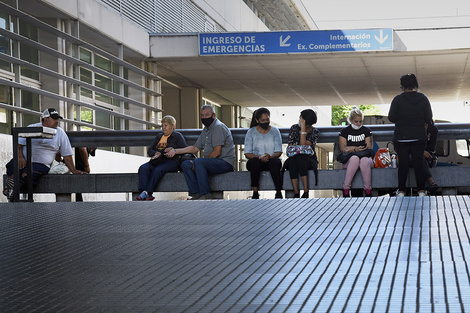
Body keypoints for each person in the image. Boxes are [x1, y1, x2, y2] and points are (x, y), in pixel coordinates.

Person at [3, 108, 87, 202]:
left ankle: (13, 186)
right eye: (54, 118)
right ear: (45, 119)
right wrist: (20, 157)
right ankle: (14, 186)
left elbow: (67, 155)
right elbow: (19, 144)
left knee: (31, 173)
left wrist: (74, 170)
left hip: (41, 164)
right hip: (24, 161)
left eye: (57, 119)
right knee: (13, 165)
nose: (57, 121)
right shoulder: (32, 127)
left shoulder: (60, 133)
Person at [165, 105, 235, 200]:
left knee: (198, 162)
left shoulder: (218, 127)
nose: (204, 117)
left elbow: (217, 152)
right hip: (211, 162)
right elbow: (195, 148)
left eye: (207, 115)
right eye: (202, 115)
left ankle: (205, 194)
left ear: (214, 115)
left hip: (225, 162)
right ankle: (195, 193)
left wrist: (198, 162)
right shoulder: (206, 129)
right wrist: (175, 151)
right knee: (186, 164)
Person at [388, 73, 433, 197]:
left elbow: (391, 118)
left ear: (402, 86)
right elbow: (428, 117)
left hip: (401, 137)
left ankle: (401, 190)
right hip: (419, 136)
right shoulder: (423, 98)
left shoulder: (397, 99)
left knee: (403, 164)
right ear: (415, 85)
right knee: (418, 163)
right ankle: (421, 191)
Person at [136, 115, 188, 201]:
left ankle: (147, 192)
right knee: (143, 168)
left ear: (173, 126)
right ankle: (144, 192)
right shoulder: (159, 136)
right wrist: (155, 153)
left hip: (171, 161)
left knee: (158, 169)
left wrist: (173, 150)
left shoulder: (177, 136)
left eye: (166, 125)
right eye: (162, 126)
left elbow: (185, 149)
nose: (163, 128)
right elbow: (150, 150)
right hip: (157, 160)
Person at [244, 108, 283, 199]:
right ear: (257, 120)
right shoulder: (251, 132)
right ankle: (255, 192)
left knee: (274, 162)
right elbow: (247, 153)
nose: (266, 122)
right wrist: (259, 157)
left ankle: (278, 191)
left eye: (267, 119)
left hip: (271, 159)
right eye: (263, 120)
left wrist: (269, 157)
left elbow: (279, 151)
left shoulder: (275, 131)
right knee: (254, 162)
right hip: (256, 160)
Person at [338, 107, 374, 197]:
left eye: (360, 121)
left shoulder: (366, 131)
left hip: (365, 159)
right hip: (350, 161)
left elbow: (369, 148)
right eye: (356, 121)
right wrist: (356, 149)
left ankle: (368, 190)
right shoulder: (344, 132)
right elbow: (343, 149)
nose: (358, 124)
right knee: (355, 159)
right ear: (350, 120)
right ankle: (346, 188)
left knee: (364, 160)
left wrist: (350, 148)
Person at [286, 109, 320, 198]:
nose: (299, 119)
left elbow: (303, 145)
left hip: (309, 159)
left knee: (300, 158)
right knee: (293, 160)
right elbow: (290, 144)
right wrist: (299, 147)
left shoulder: (315, 131)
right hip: (294, 157)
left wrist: (303, 129)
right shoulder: (294, 128)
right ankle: (296, 193)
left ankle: (305, 192)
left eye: (301, 118)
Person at [423, 120, 440, 194]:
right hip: (416, 153)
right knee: (420, 158)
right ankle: (431, 181)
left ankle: (422, 189)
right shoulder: (415, 127)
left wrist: (421, 150)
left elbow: (432, 147)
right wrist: (421, 151)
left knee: (421, 159)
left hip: (427, 154)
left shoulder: (433, 129)